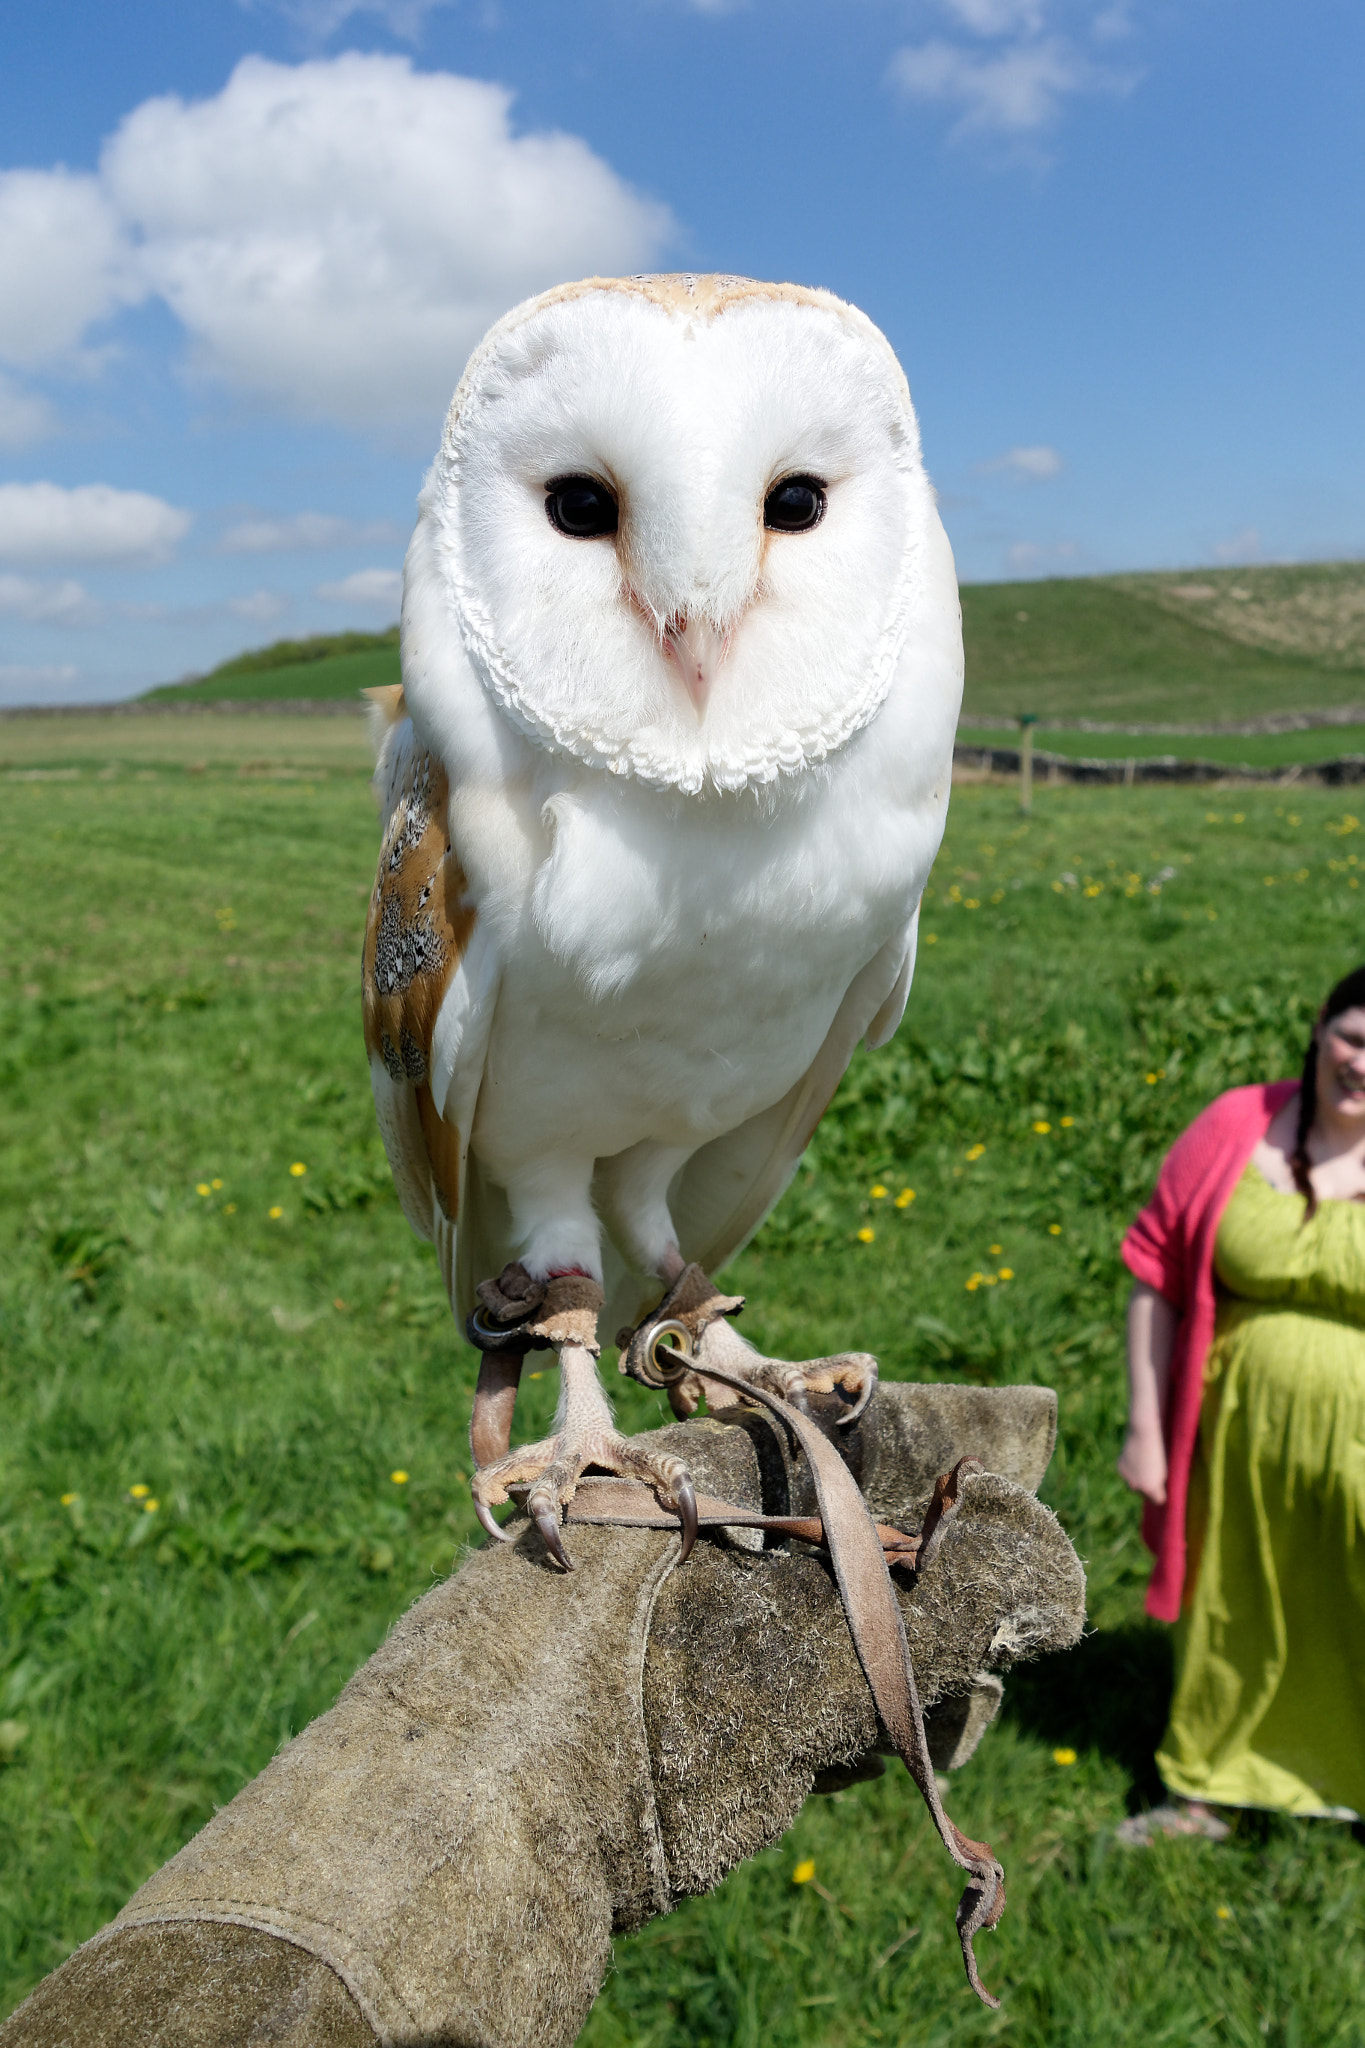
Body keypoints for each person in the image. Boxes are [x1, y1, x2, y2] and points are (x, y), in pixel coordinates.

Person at [1117, 964, 1365, 1834]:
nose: (1362, 1065)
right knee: (1231, 1600)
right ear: (1319, 1026)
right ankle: (1206, 1788)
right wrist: (1144, 1426)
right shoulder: (1237, 1124)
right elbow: (1154, 1274)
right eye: (1353, 1038)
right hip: (1229, 1431)